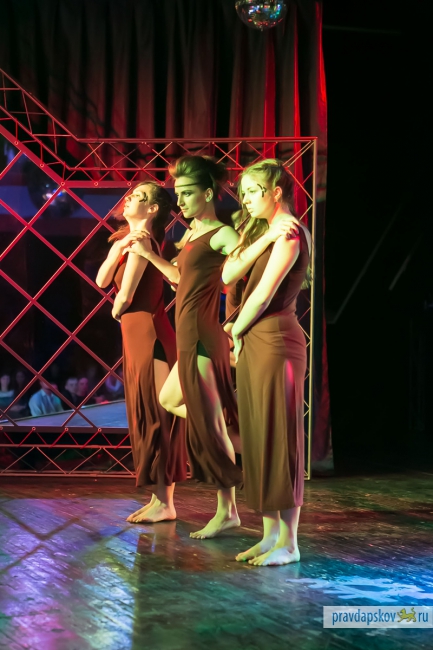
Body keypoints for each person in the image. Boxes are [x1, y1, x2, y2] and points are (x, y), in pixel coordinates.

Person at [127, 155, 299, 539]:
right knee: (171, 400)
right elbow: (179, 279)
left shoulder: (221, 233)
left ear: (207, 194)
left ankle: (228, 509)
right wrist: (150, 256)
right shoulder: (191, 234)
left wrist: (235, 320)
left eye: (187, 193)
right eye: (177, 194)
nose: (180, 201)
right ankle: (245, 443)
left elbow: (241, 274)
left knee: (205, 419)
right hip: (188, 333)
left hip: (204, 335)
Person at [222, 159, 311, 566]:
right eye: (242, 193)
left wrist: (236, 331)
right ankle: (270, 534)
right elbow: (228, 275)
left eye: (252, 191)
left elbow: (262, 295)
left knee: (280, 437)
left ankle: (289, 543)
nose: (245, 200)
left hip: (275, 340)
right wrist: (263, 239)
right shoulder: (263, 231)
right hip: (255, 339)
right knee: (258, 436)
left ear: (275, 192)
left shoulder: (290, 232)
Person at [96, 181, 187, 523]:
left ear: (152, 209)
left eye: (137, 196)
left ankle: (165, 502)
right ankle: (158, 498)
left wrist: (117, 309)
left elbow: (125, 295)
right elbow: (102, 280)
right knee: (146, 415)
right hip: (137, 335)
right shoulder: (128, 241)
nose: (128, 198)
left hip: (149, 335)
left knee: (157, 416)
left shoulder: (145, 242)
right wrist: (119, 247)